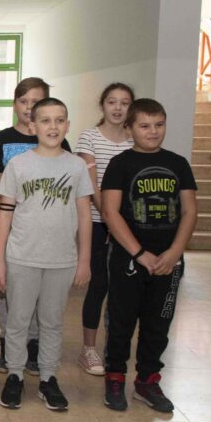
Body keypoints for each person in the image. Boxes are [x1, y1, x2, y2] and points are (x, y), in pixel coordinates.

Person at [0, 98, 93, 411]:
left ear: (67, 125)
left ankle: (48, 378)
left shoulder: (76, 166)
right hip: (21, 257)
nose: (53, 126)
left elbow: (85, 215)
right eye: (46, 121)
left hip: (61, 260)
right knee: (18, 321)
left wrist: (84, 260)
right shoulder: (18, 165)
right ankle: (15, 375)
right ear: (32, 126)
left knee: (52, 322)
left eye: (59, 120)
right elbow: (4, 213)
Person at [101, 99, 197, 413]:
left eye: (159, 125)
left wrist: (174, 253)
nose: (153, 131)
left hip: (169, 261)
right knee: (122, 320)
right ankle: (115, 377)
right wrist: (140, 253)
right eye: (144, 126)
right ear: (129, 129)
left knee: (158, 323)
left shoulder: (178, 164)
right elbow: (111, 212)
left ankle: (147, 381)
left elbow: (189, 211)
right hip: (129, 260)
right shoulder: (120, 164)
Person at [0, 78, 70, 375]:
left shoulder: (59, 142)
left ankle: (33, 345)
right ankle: (7, 343)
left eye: (36, 102)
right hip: (8, 227)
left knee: (41, 292)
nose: (29, 107)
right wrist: (6, 221)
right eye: (24, 101)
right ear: (14, 105)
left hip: (46, 233)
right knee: (7, 288)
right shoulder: (1, 140)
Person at [75, 83, 135, 376]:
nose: (118, 108)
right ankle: (88, 349)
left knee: (124, 289)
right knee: (98, 284)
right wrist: (111, 219)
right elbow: (91, 185)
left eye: (124, 103)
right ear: (103, 105)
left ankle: (115, 348)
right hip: (98, 223)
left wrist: (122, 223)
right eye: (112, 101)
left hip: (128, 226)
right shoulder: (89, 138)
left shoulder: (135, 140)